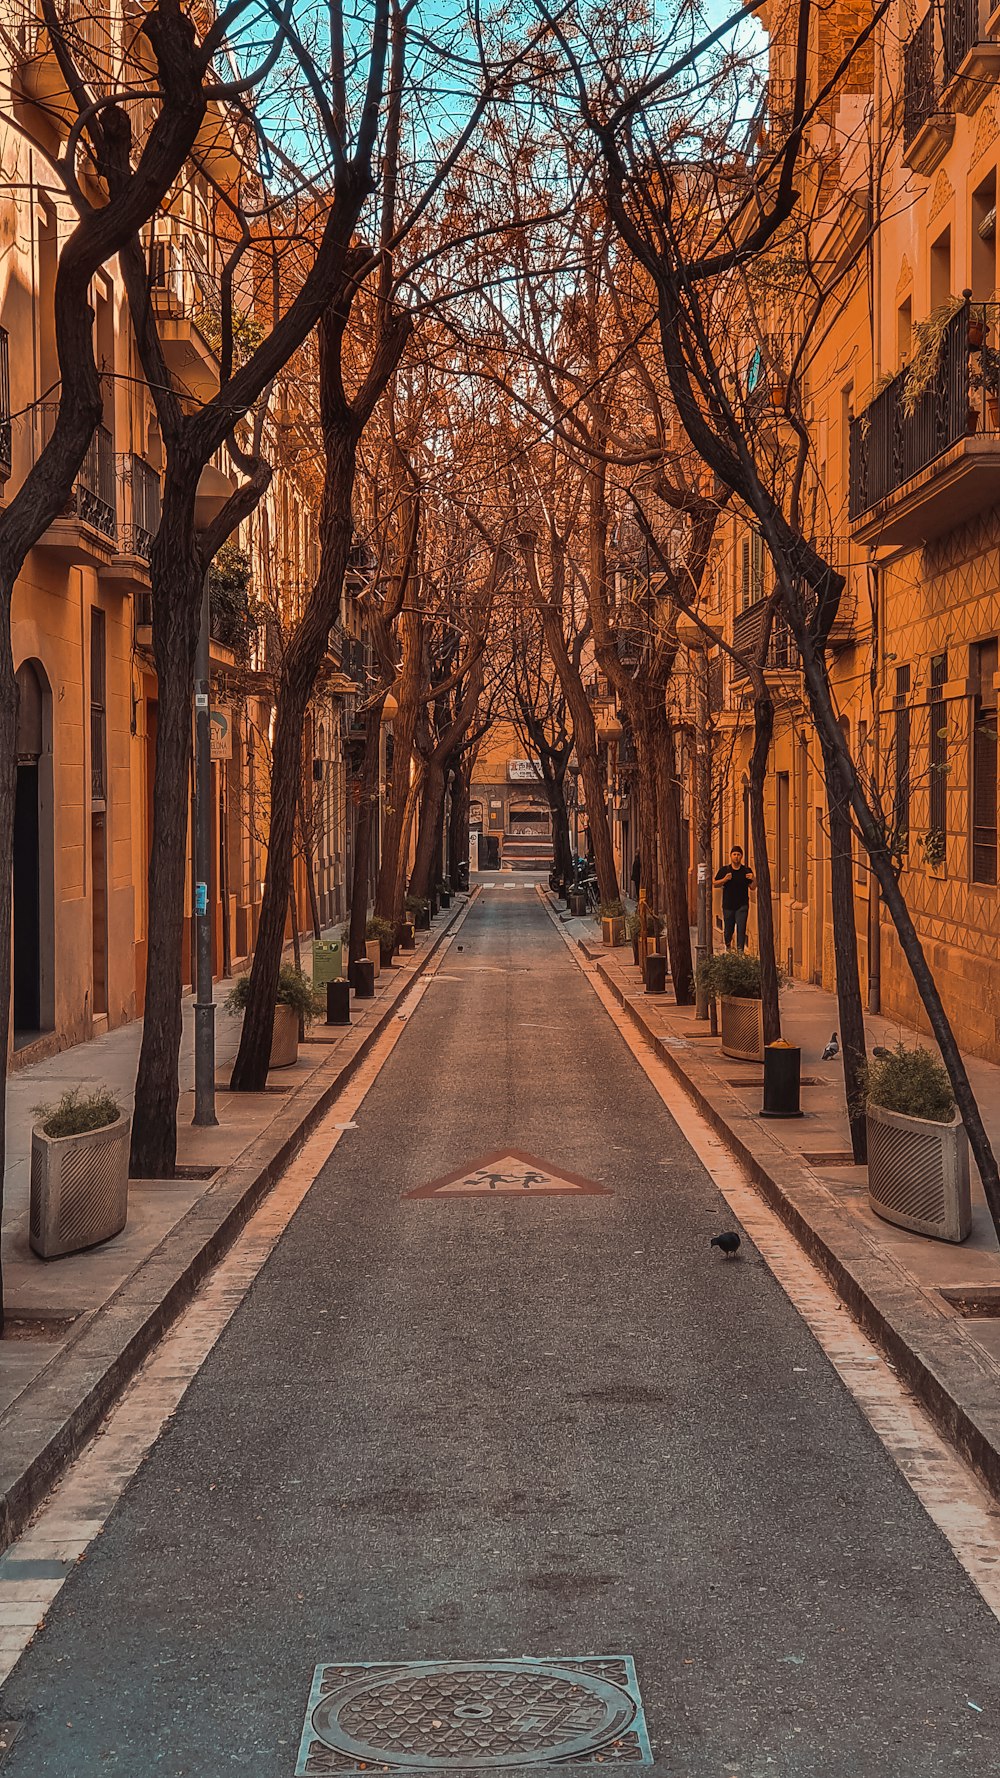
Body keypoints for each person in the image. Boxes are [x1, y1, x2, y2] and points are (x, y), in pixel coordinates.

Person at [715, 845, 754, 952]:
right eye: (734, 854)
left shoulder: (746, 871)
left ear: (741, 856)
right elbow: (714, 883)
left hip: (742, 905)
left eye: (738, 854)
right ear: (731, 856)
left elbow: (753, 887)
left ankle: (740, 951)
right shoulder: (725, 870)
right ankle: (728, 946)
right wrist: (724, 879)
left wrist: (754, 879)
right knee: (728, 930)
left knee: (741, 929)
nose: (736, 857)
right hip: (728, 906)